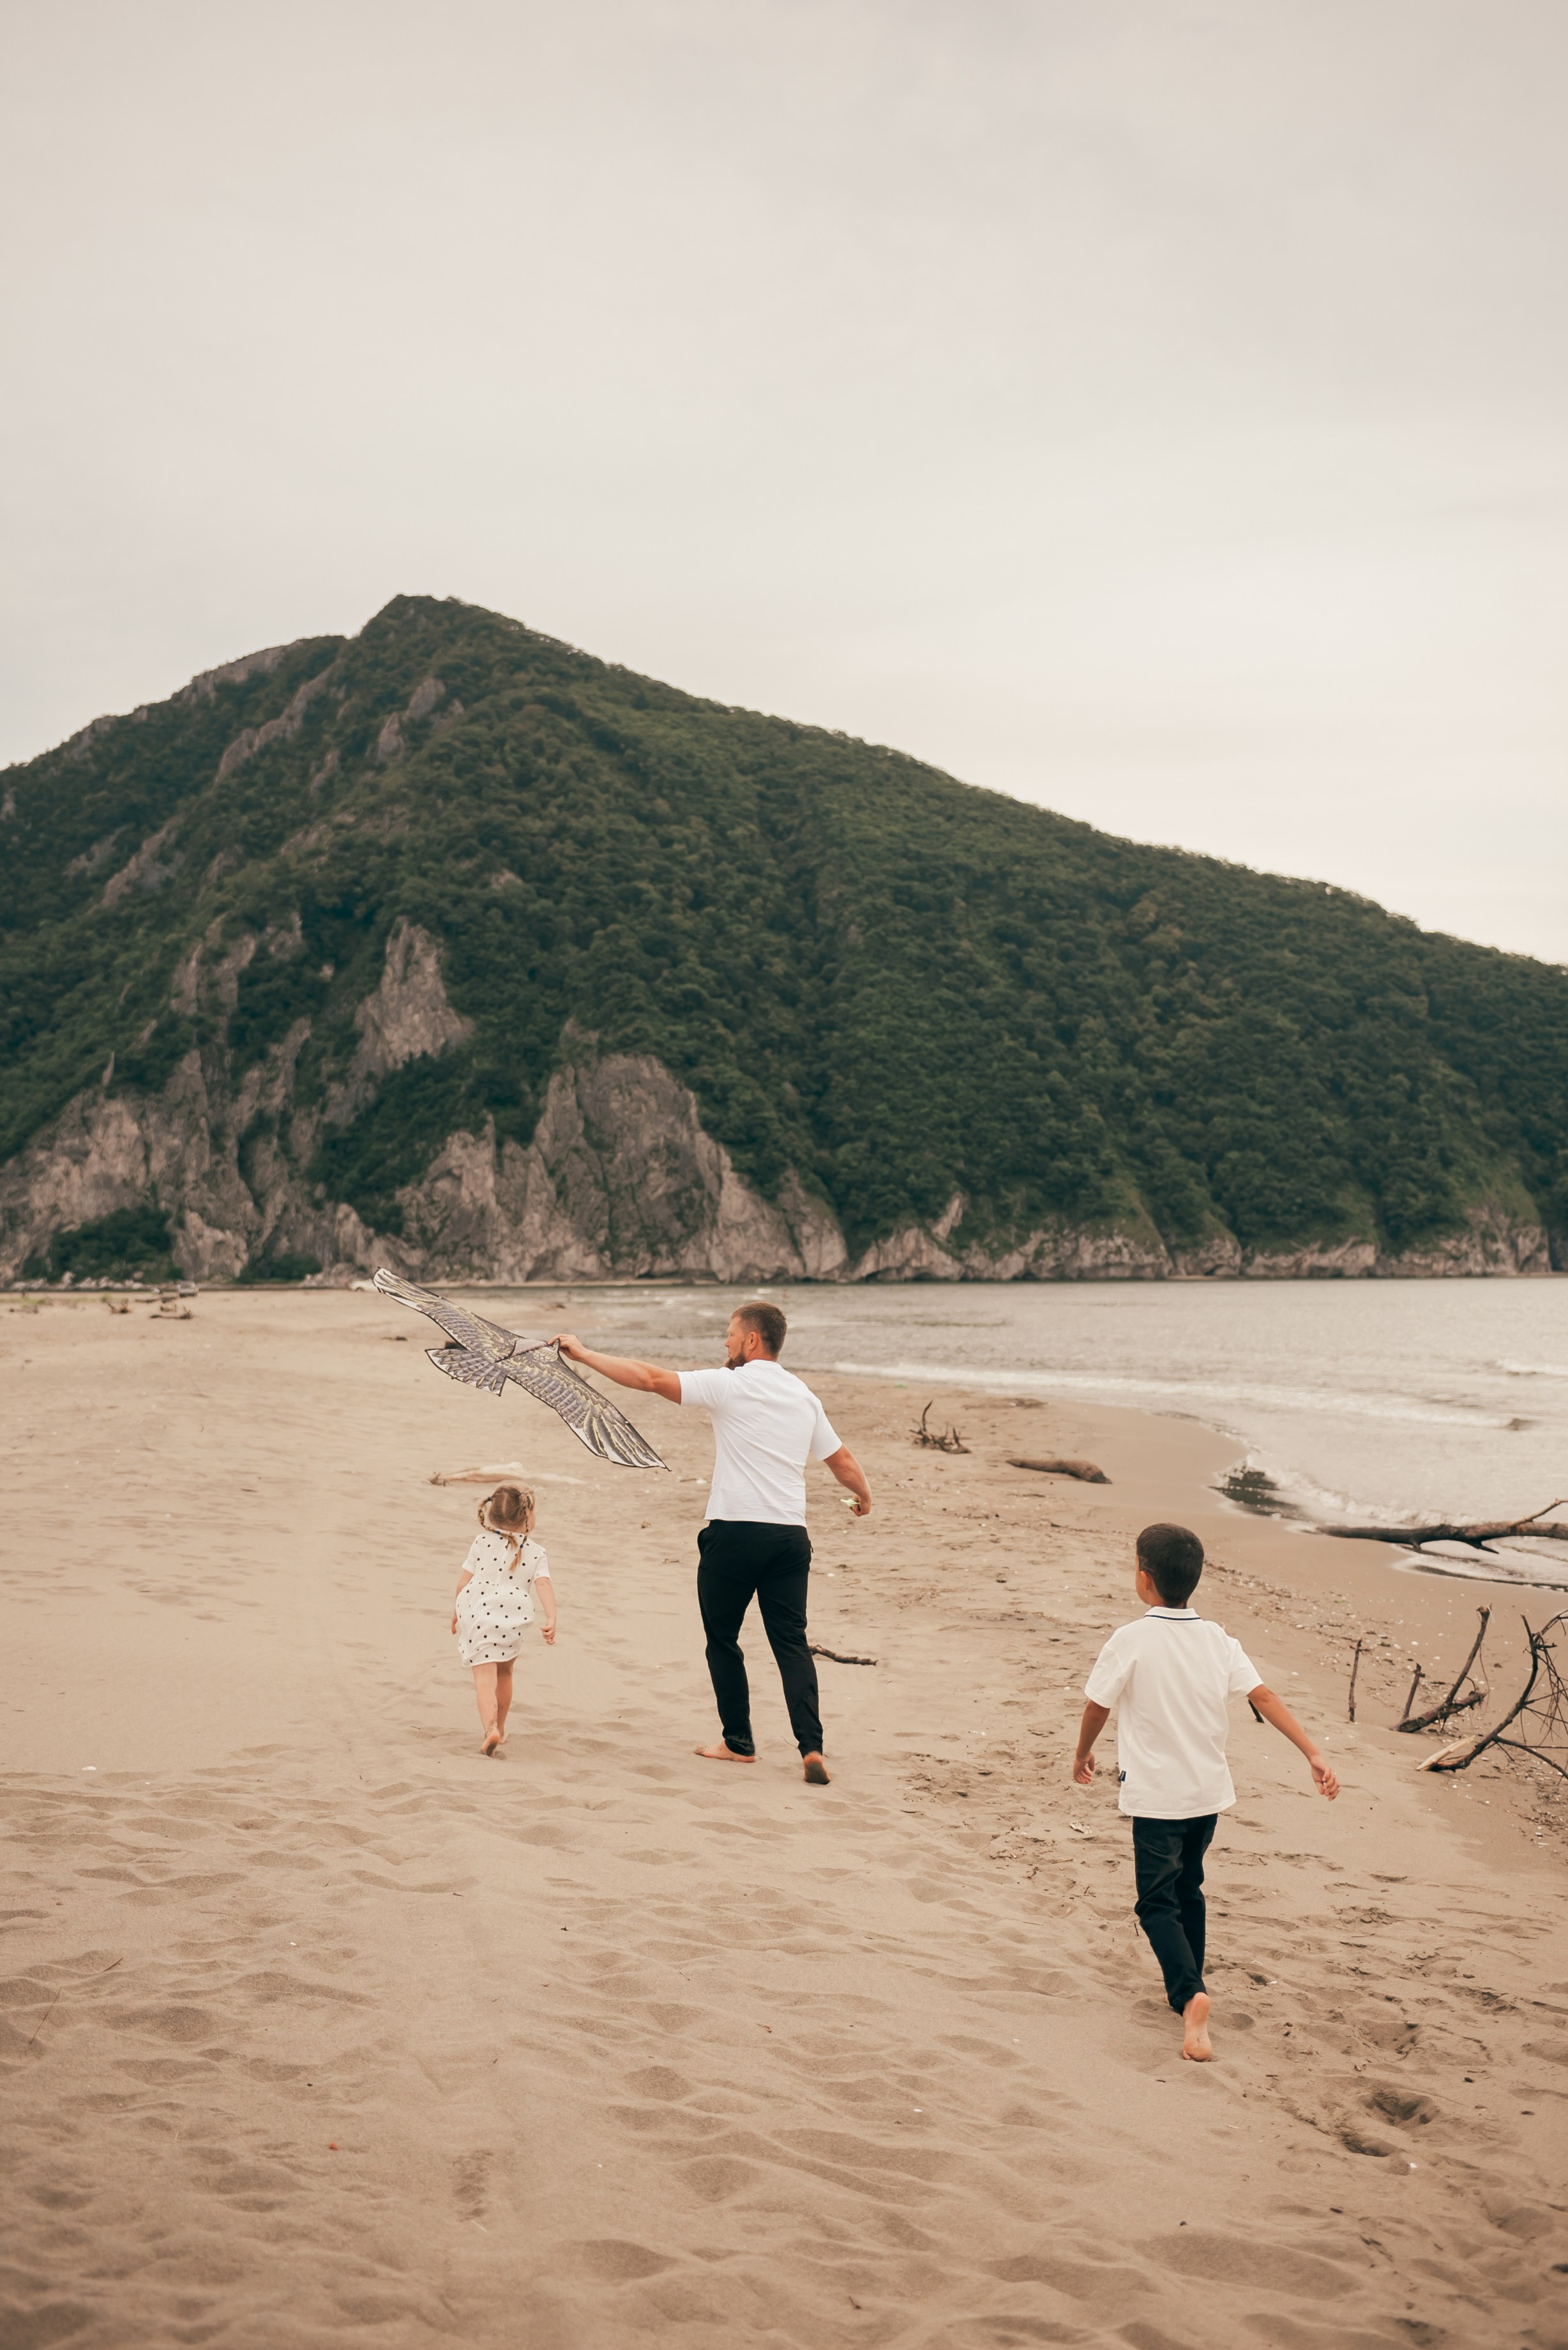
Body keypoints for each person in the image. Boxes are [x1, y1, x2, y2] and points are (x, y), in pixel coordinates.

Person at [551, 1302, 871, 1784]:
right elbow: (840, 1459)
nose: (725, 1342)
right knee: (791, 1644)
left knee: (723, 1639)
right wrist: (864, 1495)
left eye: (730, 1334)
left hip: (736, 1533)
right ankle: (812, 1747)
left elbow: (650, 1379)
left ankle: (739, 1743)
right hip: (789, 1536)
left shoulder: (730, 1385)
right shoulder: (804, 1397)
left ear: (752, 1340)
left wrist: (585, 1354)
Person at [1073, 1521, 1338, 2062]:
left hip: (1157, 1796)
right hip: (1207, 1795)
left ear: (1144, 1578)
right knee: (1188, 1886)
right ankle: (1186, 1990)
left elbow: (1098, 1705)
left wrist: (1082, 1754)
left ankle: (1191, 1995)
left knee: (1155, 1902)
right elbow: (1264, 1696)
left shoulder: (1131, 1638)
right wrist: (1312, 1752)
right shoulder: (1217, 1639)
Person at [451, 1483, 557, 1756]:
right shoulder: (537, 1551)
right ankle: (501, 1725)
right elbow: (543, 1584)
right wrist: (551, 1617)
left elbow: (464, 1582)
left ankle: (490, 1729)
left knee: (485, 1679)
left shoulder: (481, 1541)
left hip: (477, 1609)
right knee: (505, 1673)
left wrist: (457, 1611)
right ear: (528, 1515)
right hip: (514, 1612)